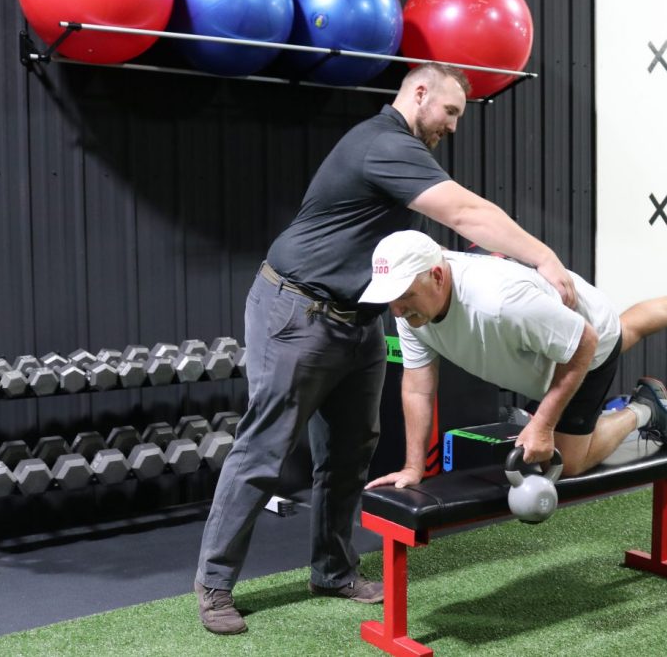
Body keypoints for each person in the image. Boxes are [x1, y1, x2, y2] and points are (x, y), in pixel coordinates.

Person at [194, 63, 578, 635]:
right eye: (449, 112)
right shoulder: (381, 143)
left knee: (351, 451)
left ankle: (332, 570)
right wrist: (544, 257)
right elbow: (465, 214)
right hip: (298, 310)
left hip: (360, 318)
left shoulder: (400, 151)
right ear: (418, 94)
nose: (451, 126)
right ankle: (214, 586)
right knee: (265, 449)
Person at [361, 230, 667, 490]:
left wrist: (543, 425)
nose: (396, 308)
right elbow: (417, 388)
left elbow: (584, 343)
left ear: (438, 276)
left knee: (567, 462)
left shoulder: (498, 302)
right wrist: (413, 467)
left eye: (405, 295)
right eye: (391, 297)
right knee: (627, 329)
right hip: (555, 328)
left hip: (586, 340)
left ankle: (645, 409)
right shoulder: (411, 307)